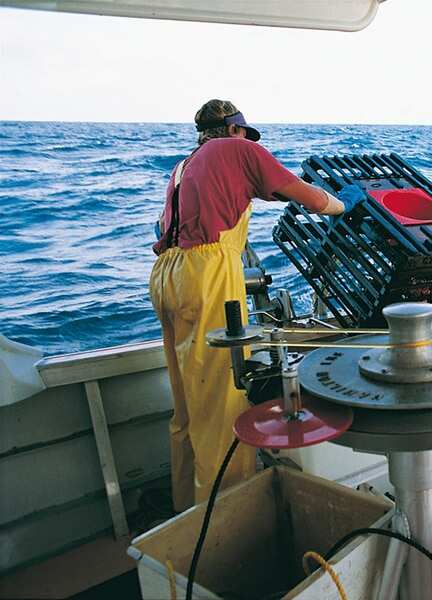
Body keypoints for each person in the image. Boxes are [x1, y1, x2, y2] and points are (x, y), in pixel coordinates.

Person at [149, 99, 365, 511]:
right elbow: (310, 199)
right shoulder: (237, 150)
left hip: (166, 275)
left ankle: (186, 507)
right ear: (235, 129)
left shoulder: (183, 167)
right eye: (247, 135)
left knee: (187, 402)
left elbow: (168, 226)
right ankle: (224, 516)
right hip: (206, 274)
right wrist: (342, 204)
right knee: (218, 403)